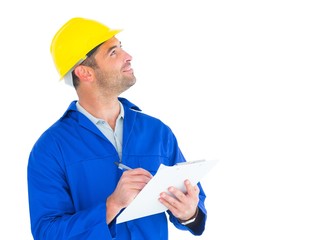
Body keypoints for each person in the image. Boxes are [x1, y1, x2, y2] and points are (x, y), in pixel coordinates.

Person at [27, 17, 207, 240]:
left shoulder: (157, 132)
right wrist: (111, 206)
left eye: (121, 48)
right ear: (85, 73)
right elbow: (46, 232)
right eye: (113, 52)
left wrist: (190, 213)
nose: (128, 56)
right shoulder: (52, 148)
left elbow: (195, 207)